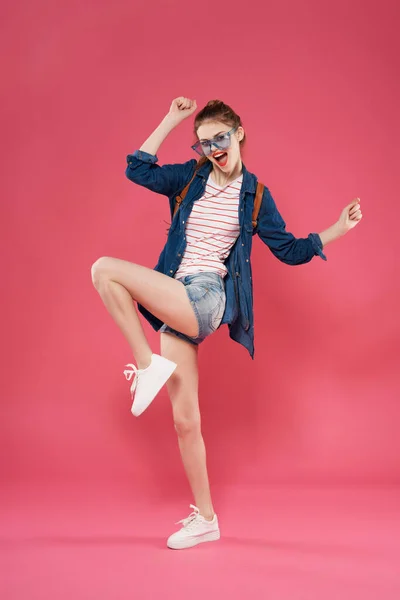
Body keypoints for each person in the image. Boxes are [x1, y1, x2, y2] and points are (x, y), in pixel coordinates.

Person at [91, 97, 362, 550]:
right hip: (175, 294)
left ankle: (145, 363)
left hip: (205, 296)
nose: (213, 149)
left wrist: (333, 231)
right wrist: (172, 119)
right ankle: (207, 520)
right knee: (185, 421)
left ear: (238, 134)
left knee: (104, 268)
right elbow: (137, 169)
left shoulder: (255, 196)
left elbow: (289, 250)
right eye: (203, 143)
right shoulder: (190, 176)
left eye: (220, 138)